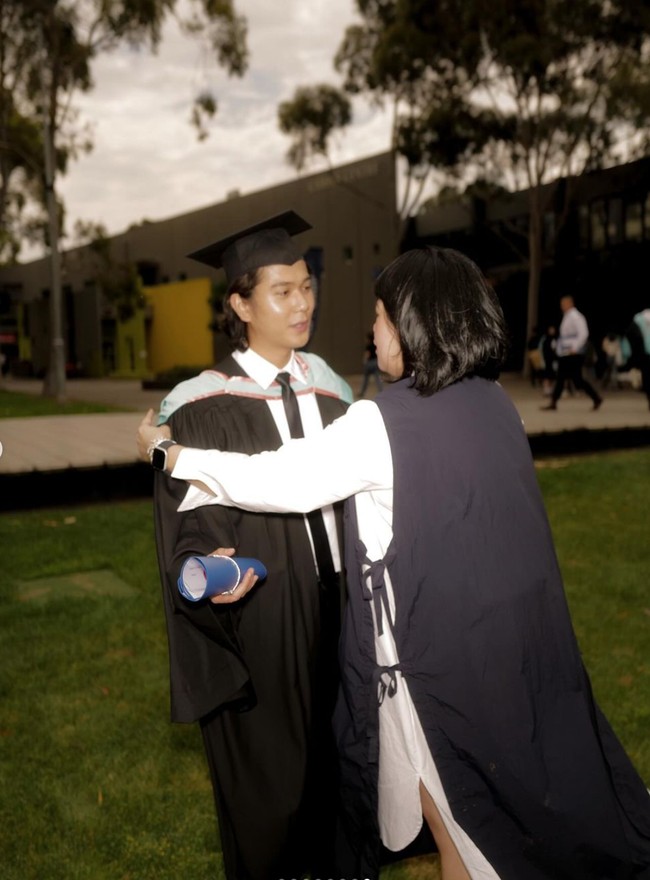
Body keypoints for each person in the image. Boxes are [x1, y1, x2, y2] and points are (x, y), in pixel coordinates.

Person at [138, 245, 650, 880]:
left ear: (413, 323)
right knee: (471, 817)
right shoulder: (496, 403)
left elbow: (284, 479)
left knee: (468, 818)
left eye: (381, 315)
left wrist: (170, 451)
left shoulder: (379, 420)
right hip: (512, 649)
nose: (371, 328)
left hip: (432, 664)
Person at [145, 210, 353, 880]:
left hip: (342, 605)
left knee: (344, 772)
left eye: (306, 286)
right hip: (261, 612)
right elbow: (191, 521)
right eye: (282, 291)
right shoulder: (201, 407)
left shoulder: (332, 390)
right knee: (274, 788)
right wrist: (202, 571)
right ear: (239, 303)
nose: (302, 303)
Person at [541, 295, 603, 411]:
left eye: (563, 304)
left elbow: (584, 333)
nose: (562, 307)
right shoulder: (568, 317)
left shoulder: (575, 317)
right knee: (569, 379)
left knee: (571, 379)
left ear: (569, 303)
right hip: (566, 352)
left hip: (573, 353)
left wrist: (576, 347)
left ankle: (596, 398)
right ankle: (554, 402)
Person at [623, 308, 650, 409]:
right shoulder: (638, 319)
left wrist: (629, 354)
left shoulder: (638, 319)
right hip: (645, 353)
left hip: (644, 353)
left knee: (647, 376)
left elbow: (631, 336)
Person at [358, 330, 383, 397]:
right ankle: (381, 392)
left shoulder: (368, 346)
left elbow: (367, 354)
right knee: (377, 378)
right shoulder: (375, 345)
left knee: (365, 379)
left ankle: (362, 393)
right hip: (375, 362)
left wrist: (364, 361)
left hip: (369, 363)